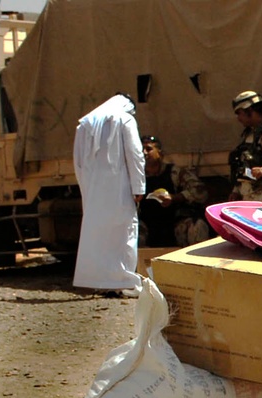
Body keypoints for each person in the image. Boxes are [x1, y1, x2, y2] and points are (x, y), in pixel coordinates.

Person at [72, 93, 145, 298]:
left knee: (98, 237)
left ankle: (102, 282)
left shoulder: (85, 125)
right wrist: (138, 187)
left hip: (94, 191)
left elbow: (77, 162)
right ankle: (125, 282)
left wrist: (85, 188)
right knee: (125, 234)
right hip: (119, 188)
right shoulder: (125, 119)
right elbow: (135, 154)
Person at [138, 135, 211, 247]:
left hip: (174, 222)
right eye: (140, 150)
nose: (144, 153)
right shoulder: (135, 176)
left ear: (160, 153)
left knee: (197, 225)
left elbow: (200, 191)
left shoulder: (174, 172)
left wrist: (175, 198)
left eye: (149, 149)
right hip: (146, 224)